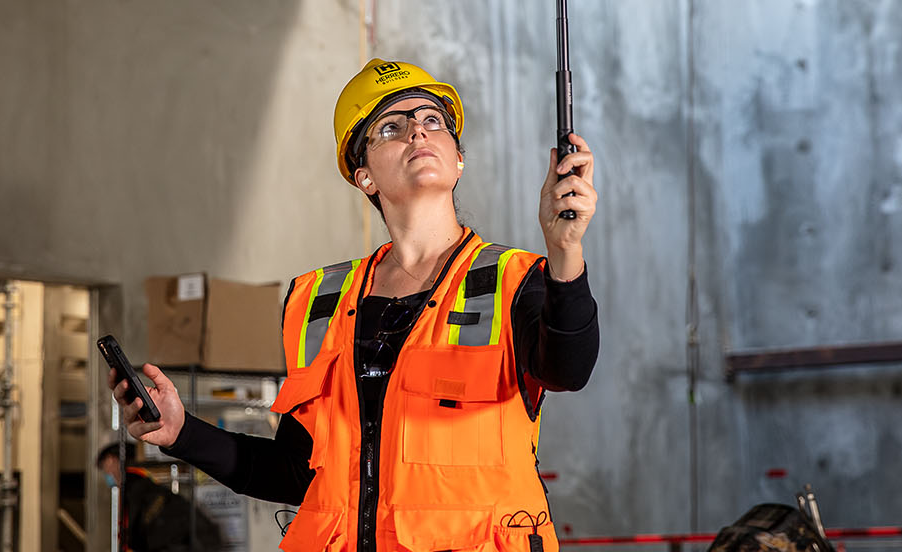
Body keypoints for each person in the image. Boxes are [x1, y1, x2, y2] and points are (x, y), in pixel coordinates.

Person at [111, 58, 599, 551]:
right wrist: (180, 432)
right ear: (363, 175)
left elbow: (568, 369)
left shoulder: (516, 282)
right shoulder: (318, 301)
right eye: (391, 126)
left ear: (458, 159)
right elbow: (294, 473)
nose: (416, 131)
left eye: (433, 121)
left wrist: (565, 252)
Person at [96, 441, 222, 552]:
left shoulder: (135, 484)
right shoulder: (139, 482)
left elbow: (134, 529)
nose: (106, 473)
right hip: (193, 539)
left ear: (111, 460)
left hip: (187, 541)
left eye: (104, 467)